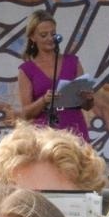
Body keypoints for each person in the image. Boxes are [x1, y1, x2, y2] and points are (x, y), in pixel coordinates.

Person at [16, 11, 94, 142]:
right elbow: (26, 114)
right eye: (43, 35)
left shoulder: (72, 62)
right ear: (33, 37)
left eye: (53, 34)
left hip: (75, 131)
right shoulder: (26, 70)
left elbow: (87, 106)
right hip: (45, 136)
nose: (50, 38)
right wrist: (44, 100)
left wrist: (88, 98)